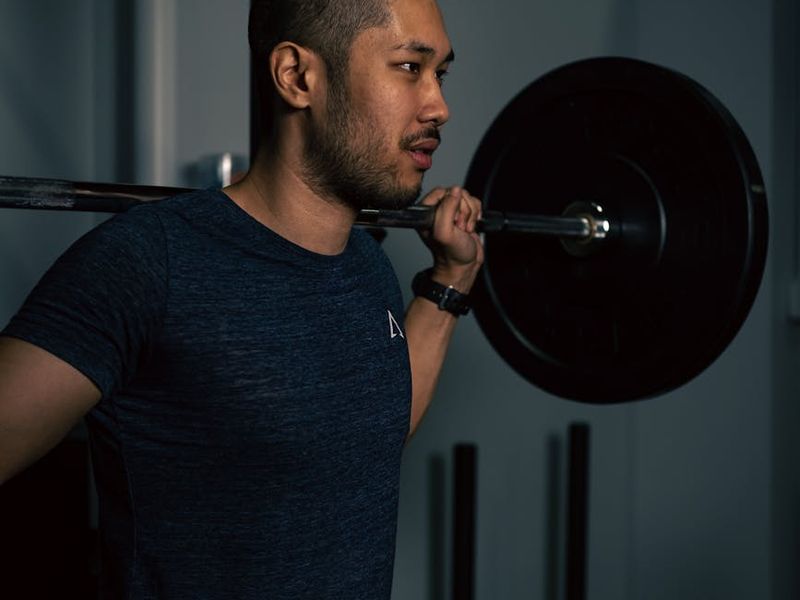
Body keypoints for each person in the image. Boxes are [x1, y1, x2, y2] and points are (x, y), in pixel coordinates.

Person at [0, 0, 482, 597]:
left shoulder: (368, 267)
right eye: (411, 67)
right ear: (297, 77)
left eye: (441, 74)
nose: (439, 105)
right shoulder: (148, 262)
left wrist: (449, 283)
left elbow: (364, 438)